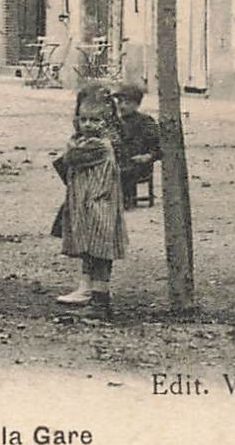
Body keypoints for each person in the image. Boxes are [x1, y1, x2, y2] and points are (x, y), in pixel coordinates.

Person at [55, 91, 129, 318]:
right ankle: (88, 291)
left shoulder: (98, 145)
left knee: (100, 252)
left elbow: (70, 157)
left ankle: (100, 301)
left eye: (95, 120)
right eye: (83, 119)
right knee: (90, 249)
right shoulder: (86, 141)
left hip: (99, 204)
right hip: (87, 204)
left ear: (107, 123)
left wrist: (70, 146)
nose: (88, 124)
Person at [112, 82, 162, 208]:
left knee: (122, 170)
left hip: (138, 164)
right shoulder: (115, 122)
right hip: (119, 161)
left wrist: (148, 156)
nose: (122, 106)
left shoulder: (145, 121)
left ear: (137, 105)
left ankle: (124, 199)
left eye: (127, 103)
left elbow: (159, 146)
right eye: (119, 102)